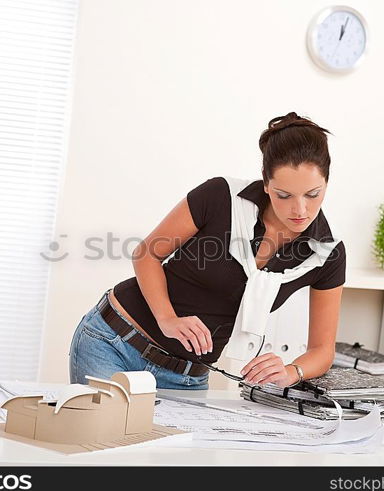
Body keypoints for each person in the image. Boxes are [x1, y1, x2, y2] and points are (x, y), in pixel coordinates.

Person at [68, 111, 346, 390]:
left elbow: (322, 350)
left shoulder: (326, 254)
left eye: (313, 194)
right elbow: (146, 254)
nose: (300, 209)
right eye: (283, 195)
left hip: (188, 376)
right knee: (105, 434)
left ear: (327, 183)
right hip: (116, 342)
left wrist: (291, 371)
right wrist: (167, 318)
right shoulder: (220, 197)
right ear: (266, 184)